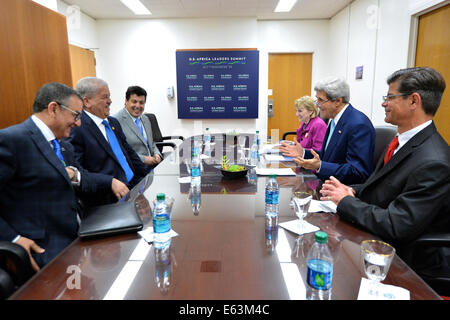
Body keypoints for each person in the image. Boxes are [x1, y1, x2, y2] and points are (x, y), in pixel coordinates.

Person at [319, 67, 449, 289]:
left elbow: (397, 225)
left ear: (414, 101)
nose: (383, 103)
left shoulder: (434, 161)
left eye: (390, 97)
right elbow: (382, 187)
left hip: (407, 261)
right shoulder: (402, 141)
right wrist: (351, 190)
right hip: (376, 241)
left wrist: (345, 201)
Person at [0, 83, 110, 270]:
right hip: (43, 250)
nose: (78, 123)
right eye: (76, 115)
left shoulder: (62, 143)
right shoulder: (12, 140)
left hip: (78, 238)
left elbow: (76, 178)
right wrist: (14, 239)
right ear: (53, 109)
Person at [68, 77, 148, 208]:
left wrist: (147, 177)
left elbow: (129, 153)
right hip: (110, 199)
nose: (110, 101)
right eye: (104, 97)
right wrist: (109, 182)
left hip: (134, 186)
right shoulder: (76, 129)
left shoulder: (112, 122)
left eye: (109, 96)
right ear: (86, 101)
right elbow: (78, 173)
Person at [280, 77, 375, 185]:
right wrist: (303, 153)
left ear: (338, 101)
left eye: (320, 100)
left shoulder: (358, 124)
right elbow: (328, 156)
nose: (316, 105)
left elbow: (358, 172)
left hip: (343, 191)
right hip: (328, 184)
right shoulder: (334, 121)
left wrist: (320, 166)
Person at [114, 86, 162, 170]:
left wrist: (157, 154)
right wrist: (144, 159)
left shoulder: (145, 119)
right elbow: (120, 152)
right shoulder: (116, 121)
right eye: (134, 101)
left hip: (153, 166)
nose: (138, 106)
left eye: (141, 103)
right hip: (135, 168)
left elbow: (151, 143)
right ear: (126, 101)